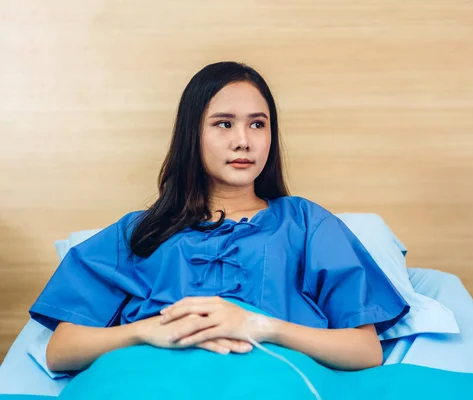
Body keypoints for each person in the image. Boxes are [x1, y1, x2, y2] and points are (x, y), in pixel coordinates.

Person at [29, 61, 409, 374]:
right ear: (192, 135)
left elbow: (365, 350)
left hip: (273, 381)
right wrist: (147, 331)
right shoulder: (139, 232)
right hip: (147, 381)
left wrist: (257, 326)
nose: (243, 140)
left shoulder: (307, 225)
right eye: (224, 123)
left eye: (257, 124)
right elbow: (61, 351)